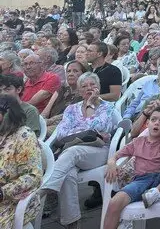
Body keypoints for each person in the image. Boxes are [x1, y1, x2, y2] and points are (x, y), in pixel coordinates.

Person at [41, 72, 118, 228]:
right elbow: (61, 133)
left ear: (99, 87)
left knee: (72, 152)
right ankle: (73, 223)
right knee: (68, 174)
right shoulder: (71, 109)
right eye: (84, 86)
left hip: (99, 151)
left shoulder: (107, 107)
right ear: (79, 91)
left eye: (92, 84)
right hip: (74, 151)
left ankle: (45, 189)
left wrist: (90, 105)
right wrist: (85, 130)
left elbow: (95, 128)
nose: (89, 88)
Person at [102, 105, 160, 227]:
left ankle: (156, 192)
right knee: (114, 203)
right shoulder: (138, 142)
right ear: (147, 123)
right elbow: (115, 156)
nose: (157, 123)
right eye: (153, 120)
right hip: (141, 181)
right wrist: (111, 163)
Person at [0, 94, 43, 228]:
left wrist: (3, 192)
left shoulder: (24, 135)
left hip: (12, 199)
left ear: (7, 114)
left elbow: (33, 176)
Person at [42, 60, 86, 130]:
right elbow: (46, 112)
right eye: (68, 71)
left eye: (75, 71)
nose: (71, 74)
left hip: (68, 128)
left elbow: (74, 117)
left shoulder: (85, 94)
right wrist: (41, 121)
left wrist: (50, 121)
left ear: (83, 74)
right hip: (48, 125)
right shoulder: (60, 90)